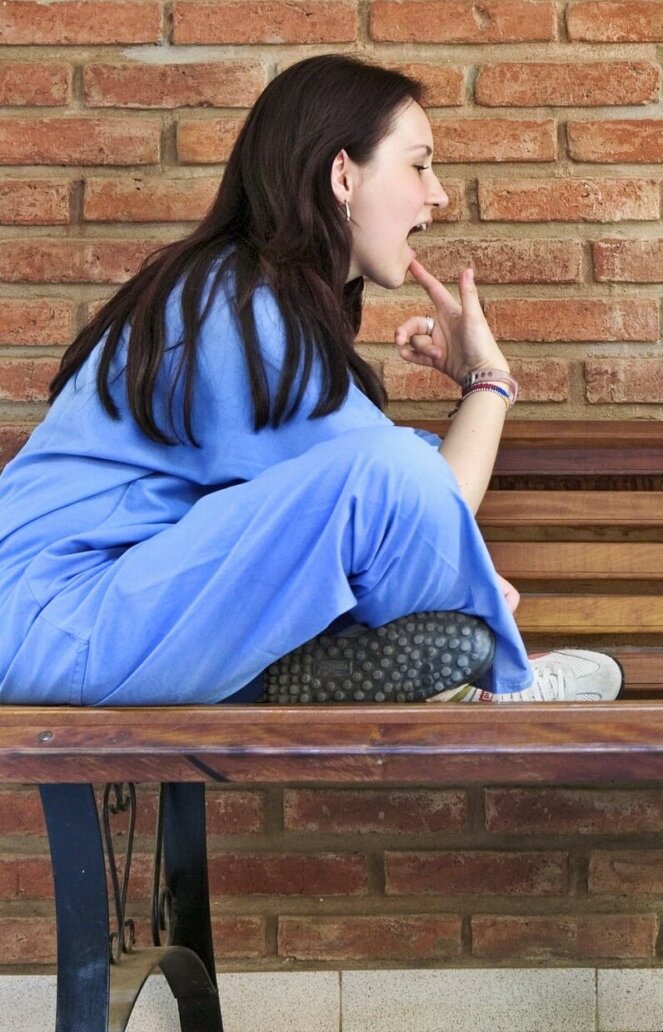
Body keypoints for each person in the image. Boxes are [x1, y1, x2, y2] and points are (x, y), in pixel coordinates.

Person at [0, 54, 621, 707]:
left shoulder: (245, 297)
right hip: (61, 622)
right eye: (418, 164)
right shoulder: (231, 308)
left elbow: (414, 508)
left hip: (104, 616)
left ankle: (448, 672)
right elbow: (413, 498)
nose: (437, 193)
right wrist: (488, 386)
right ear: (342, 175)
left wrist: (482, 392)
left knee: (392, 483)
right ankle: (477, 679)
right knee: (390, 473)